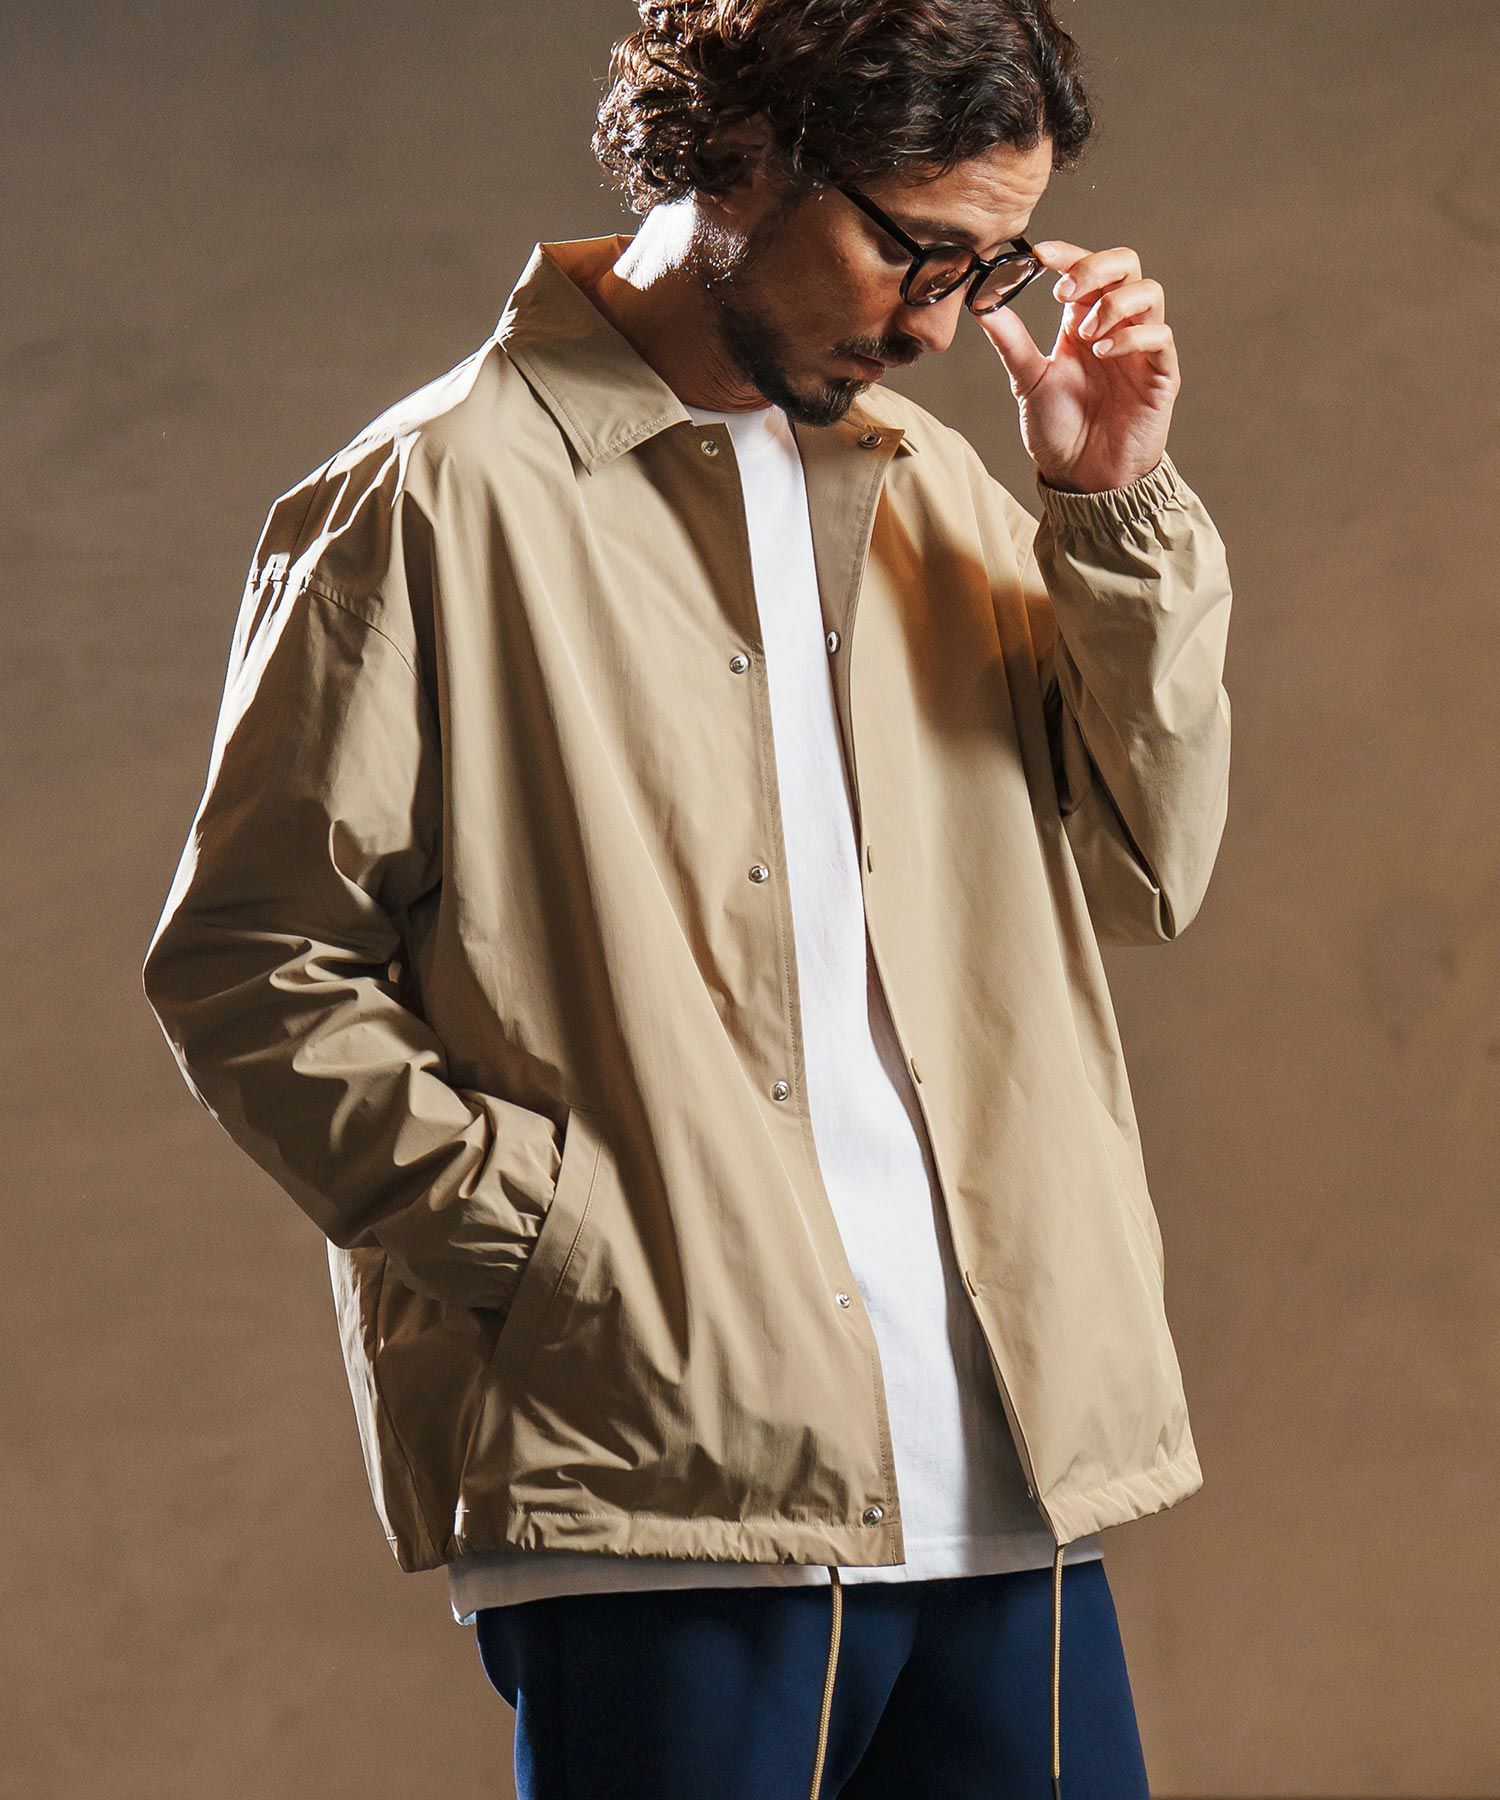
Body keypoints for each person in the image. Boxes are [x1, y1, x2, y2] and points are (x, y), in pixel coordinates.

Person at [141, 0, 1234, 1794]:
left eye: (987, 267)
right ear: (737, 151)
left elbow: (1144, 871)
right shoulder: (431, 498)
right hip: (666, 1483)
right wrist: (563, 1254)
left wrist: (1113, 510)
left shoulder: (935, 488)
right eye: (914, 249)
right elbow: (254, 966)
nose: (938, 322)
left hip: (1011, 1463)